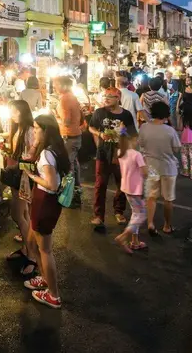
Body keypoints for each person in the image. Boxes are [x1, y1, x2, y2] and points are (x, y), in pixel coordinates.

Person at [21, 114, 70, 309]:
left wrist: (32, 176)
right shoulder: (56, 149)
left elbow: (51, 183)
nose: (33, 131)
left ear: (45, 131)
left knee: (45, 250)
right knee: (34, 243)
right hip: (45, 202)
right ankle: (44, 278)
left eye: (36, 128)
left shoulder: (47, 155)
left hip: (45, 202)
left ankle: (53, 295)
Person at [87, 87, 134, 231]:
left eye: (110, 96)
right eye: (105, 96)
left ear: (118, 98)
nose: (106, 99)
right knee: (100, 184)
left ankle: (119, 211)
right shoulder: (99, 112)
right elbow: (91, 127)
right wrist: (100, 135)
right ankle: (98, 215)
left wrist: (122, 131)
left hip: (120, 154)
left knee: (122, 184)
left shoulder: (126, 115)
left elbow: (132, 134)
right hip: (103, 153)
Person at [140, 101, 181, 235]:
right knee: (168, 199)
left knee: (151, 197)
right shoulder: (170, 131)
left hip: (151, 166)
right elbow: (176, 149)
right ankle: (167, 226)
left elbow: (140, 145)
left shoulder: (144, 127)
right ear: (166, 115)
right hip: (168, 168)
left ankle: (150, 223)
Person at [6, 100, 36, 275]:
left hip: (23, 177)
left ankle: (32, 255)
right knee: (23, 214)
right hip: (19, 175)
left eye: (14, 111)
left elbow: (32, 157)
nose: (12, 114)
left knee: (17, 214)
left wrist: (17, 163)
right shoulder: (18, 129)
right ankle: (27, 248)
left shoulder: (29, 131)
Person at [115, 128, 147, 253]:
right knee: (141, 214)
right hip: (136, 189)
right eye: (136, 139)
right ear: (131, 139)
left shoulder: (120, 152)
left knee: (136, 213)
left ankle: (135, 242)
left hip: (126, 187)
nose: (138, 142)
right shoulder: (136, 154)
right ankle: (123, 236)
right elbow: (144, 172)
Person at [54, 76, 83, 206]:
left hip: (68, 136)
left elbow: (66, 121)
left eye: (57, 85)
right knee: (74, 164)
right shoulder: (72, 96)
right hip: (76, 135)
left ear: (64, 86)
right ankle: (77, 189)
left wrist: (55, 118)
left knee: (68, 166)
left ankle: (68, 196)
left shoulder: (65, 100)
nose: (54, 87)